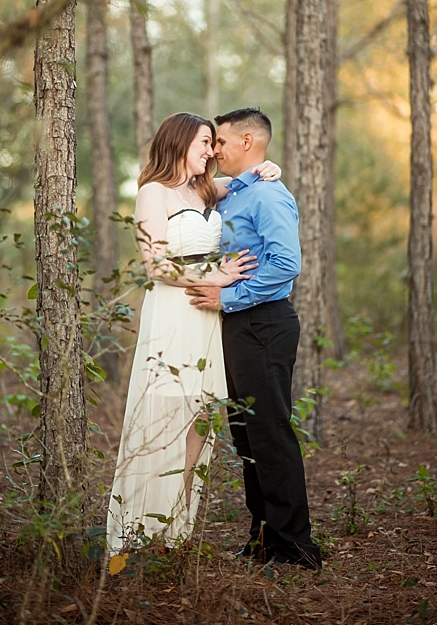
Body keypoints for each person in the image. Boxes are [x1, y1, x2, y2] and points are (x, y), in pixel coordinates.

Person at [106, 112, 279, 556]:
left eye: (214, 144)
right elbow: (155, 266)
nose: (212, 152)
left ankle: (176, 533)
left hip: (206, 319)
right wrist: (216, 277)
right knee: (164, 417)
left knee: (200, 421)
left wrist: (270, 168)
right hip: (172, 313)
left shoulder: (207, 189)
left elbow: (250, 180)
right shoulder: (152, 192)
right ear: (181, 143)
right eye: (205, 143)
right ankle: (138, 532)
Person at [184, 107, 323, 569]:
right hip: (239, 327)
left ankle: (296, 549)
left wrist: (229, 299)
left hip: (264, 323)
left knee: (270, 434)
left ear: (247, 141)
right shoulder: (233, 193)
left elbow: (286, 264)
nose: (215, 150)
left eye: (220, 142)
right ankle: (262, 539)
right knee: (246, 438)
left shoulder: (268, 198)